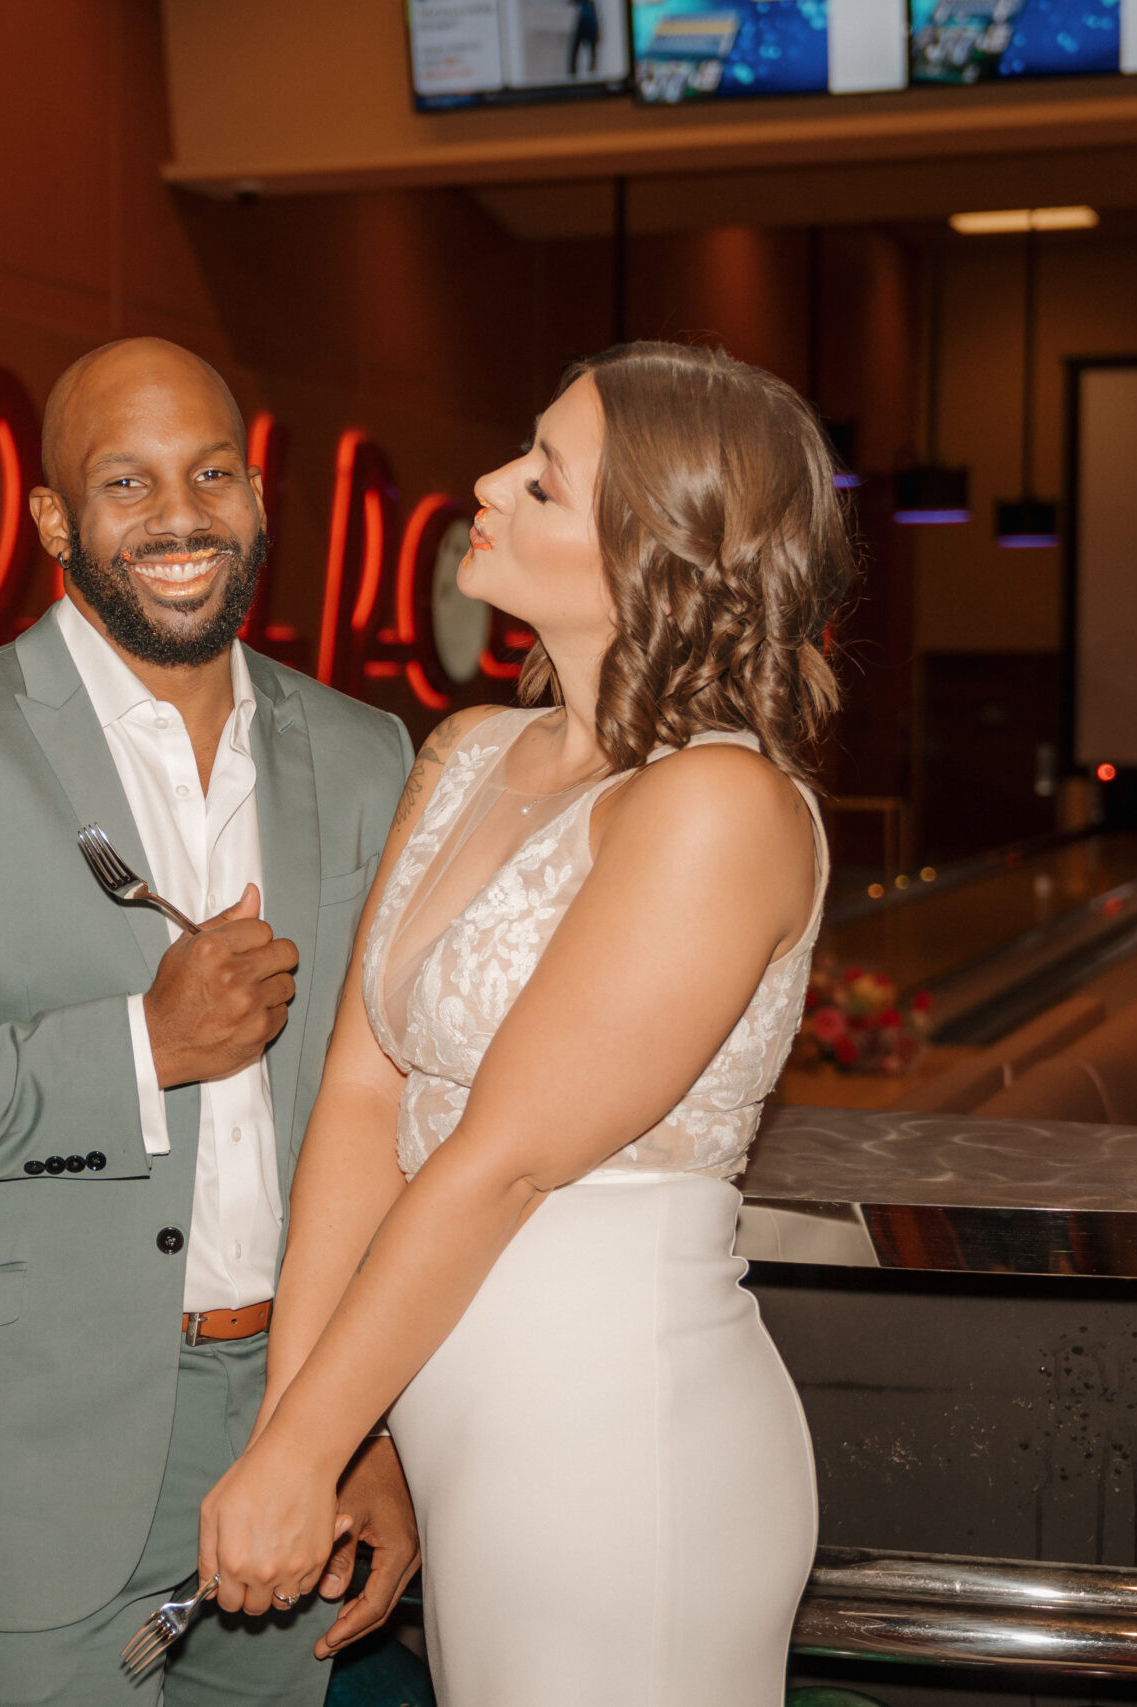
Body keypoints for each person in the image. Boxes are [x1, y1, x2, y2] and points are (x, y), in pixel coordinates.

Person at [0, 337, 421, 1707]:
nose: (180, 517)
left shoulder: (367, 758)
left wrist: (365, 1429)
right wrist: (140, 1049)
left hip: (293, 1426)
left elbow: (382, 1122)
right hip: (25, 1453)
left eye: (211, 473)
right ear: (58, 521)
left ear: (253, 496)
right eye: (127, 482)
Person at [197, 341, 849, 1706]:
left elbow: (505, 1161)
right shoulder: (469, 750)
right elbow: (366, 1099)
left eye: (542, 481)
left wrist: (302, 1450)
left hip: (621, 1438)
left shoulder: (718, 806)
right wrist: (305, 1426)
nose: (488, 483)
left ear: (655, 557)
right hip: (464, 1421)